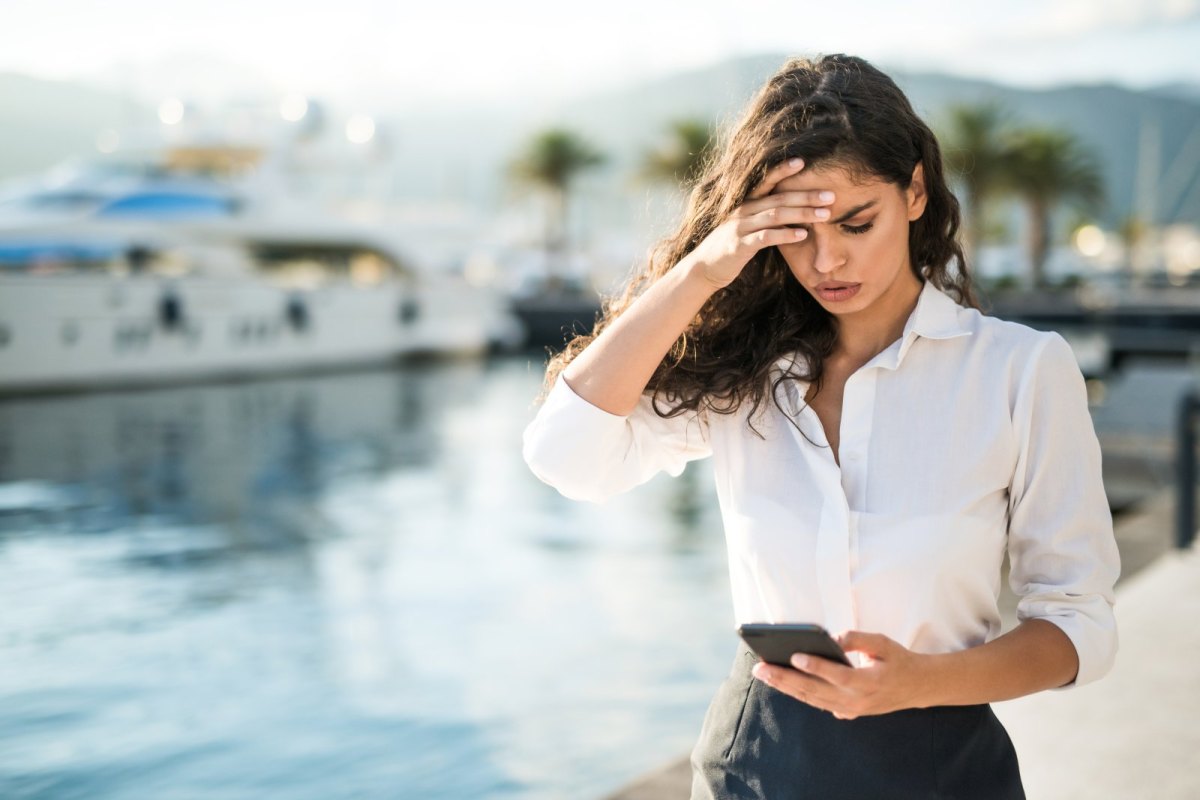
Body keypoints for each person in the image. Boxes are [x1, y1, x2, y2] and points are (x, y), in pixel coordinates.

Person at [520, 53, 1120, 800]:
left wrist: (921, 682)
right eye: (795, 230)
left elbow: (1079, 628)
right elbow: (563, 456)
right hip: (756, 767)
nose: (826, 258)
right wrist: (700, 272)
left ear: (915, 193)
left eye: (855, 221)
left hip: (942, 769)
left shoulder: (1019, 372)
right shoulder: (744, 376)